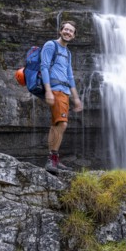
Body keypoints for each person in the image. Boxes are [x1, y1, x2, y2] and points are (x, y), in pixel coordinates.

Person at [40, 21, 83, 173]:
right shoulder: (51, 45)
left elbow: (70, 76)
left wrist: (76, 98)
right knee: (62, 124)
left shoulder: (68, 53)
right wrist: (48, 90)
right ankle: (52, 160)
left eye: (71, 31)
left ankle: (54, 160)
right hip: (55, 90)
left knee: (56, 125)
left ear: (74, 35)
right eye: (66, 29)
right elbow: (44, 67)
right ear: (60, 31)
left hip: (64, 91)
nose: (68, 32)